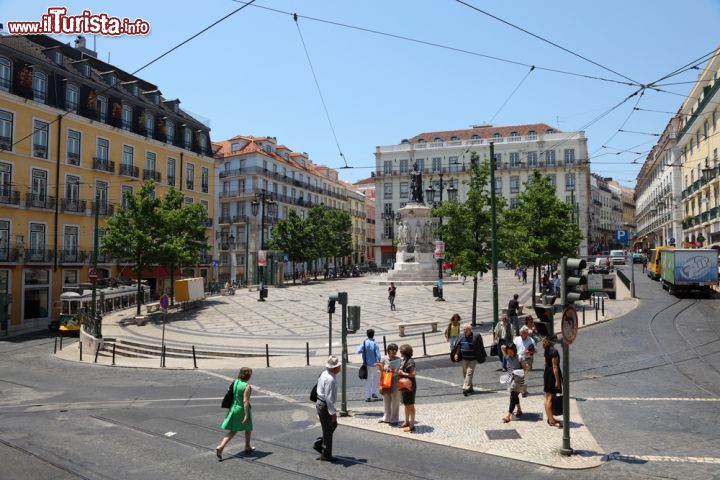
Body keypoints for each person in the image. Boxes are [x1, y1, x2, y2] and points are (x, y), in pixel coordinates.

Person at [216, 367, 254, 460]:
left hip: (234, 408)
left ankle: (247, 445)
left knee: (236, 429)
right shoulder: (246, 386)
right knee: (247, 427)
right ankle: (221, 447)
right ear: (248, 376)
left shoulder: (236, 382)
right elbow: (245, 401)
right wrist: (246, 415)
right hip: (241, 409)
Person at [313, 356, 342, 461]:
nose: (340, 367)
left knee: (329, 428)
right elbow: (329, 398)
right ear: (334, 368)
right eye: (339, 366)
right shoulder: (330, 379)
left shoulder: (325, 373)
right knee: (329, 428)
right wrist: (333, 413)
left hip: (320, 403)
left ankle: (320, 444)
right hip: (325, 405)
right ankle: (326, 454)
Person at [453, 323, 486, 396]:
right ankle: (470, 388)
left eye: (466, 330)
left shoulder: (475, 336)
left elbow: (481, 346)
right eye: (463, 330)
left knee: (469, 373)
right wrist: (456, 354)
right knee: (465, 374)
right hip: (464, 359)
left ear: (470, 330)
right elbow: (458, 346)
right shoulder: (461, 336)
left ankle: (465, 388)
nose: (464, 331)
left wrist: (482, 355)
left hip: (473, 359)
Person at [377, 343, 402, 425]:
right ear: (388, 350)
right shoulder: (383, 358)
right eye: (392, 349)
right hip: (386, 380)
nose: (394, 351)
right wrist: (380, 367)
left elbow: (399, 371)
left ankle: (394, 419)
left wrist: (395, 371)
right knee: (386, 399)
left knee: (395, 400)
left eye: (396, 350)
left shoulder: (398, 359)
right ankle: (386, 417)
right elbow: (381, 371)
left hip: (395, 380)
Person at [502, 343, 527, 423]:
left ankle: (508, 415)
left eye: (511, 351)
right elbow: (502, 347)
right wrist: (507, 347)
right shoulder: (507, 357)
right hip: (511, 379)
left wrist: (517, 371)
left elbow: (525, 369)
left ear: (515, 350)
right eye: (508, 352)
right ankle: (519, 410)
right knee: (514, 395)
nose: (510, 353)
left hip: (519, 380)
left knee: (513, 396)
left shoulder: (520, 357)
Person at [542, 337, 563, 428]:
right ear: (553, 341)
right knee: (550, 397)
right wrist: (557, 381)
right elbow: (555, 367)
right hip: (552, 375)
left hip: (547, 373)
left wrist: (545, 375)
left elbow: (545, 364)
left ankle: (550, 417)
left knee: (547, 397)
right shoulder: (554, 351)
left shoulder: (546, 349)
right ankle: (551, 420)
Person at [357, 329, 382, 402]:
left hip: (366, 364)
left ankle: (367, 396)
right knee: (375, 377)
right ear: (373, 334)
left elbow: (358, 351)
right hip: (374, 364)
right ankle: (373, 393)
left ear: (367, 334)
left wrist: (364, 351)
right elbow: (378, 355)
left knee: (368, 380)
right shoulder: (375, 343)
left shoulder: (364, 343)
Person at [398, 344, 417, 432]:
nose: (400, 352)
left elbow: (413, 374)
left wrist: (403, 373)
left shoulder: (410, 362)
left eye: (401, 351)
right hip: (404, 385)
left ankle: (412, 425)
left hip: (410, 385)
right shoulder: (404, 360)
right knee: (406, 404)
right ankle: (406, 422)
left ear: (405, 352)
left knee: (411, 405)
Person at [514, 326, 536, 397]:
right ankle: (519, 389)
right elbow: (513, 348)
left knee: (524, 375)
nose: (521, 334)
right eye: (520, 333)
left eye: (523, 333)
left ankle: (524, 391)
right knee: (518, 374)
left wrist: (529, 352)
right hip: (518, 359)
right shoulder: (516, 339)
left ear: (526, 333)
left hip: (527, 359)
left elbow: (535, 350)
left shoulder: (531, 340)